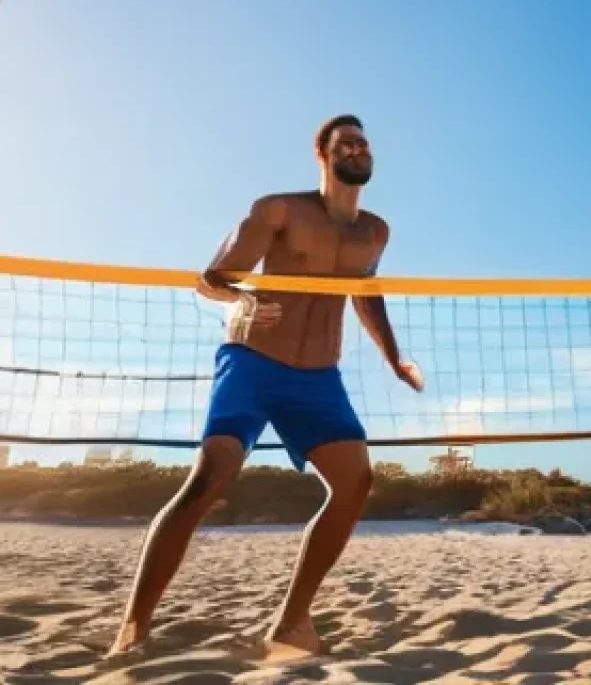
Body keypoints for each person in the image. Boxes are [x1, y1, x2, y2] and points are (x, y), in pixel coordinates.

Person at [108, 114, 423, 659]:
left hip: (319, 377)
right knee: (210, 477)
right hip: (254, 363)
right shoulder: (279, 209)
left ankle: (292, 622)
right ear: (322, 154)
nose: (359, 149)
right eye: (347, 142)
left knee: (355, 483)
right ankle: (134, 626)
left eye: (365, 143)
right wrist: (245, 298)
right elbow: (212, 277)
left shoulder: (375, 230)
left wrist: (394, 359)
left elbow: (366, 294)